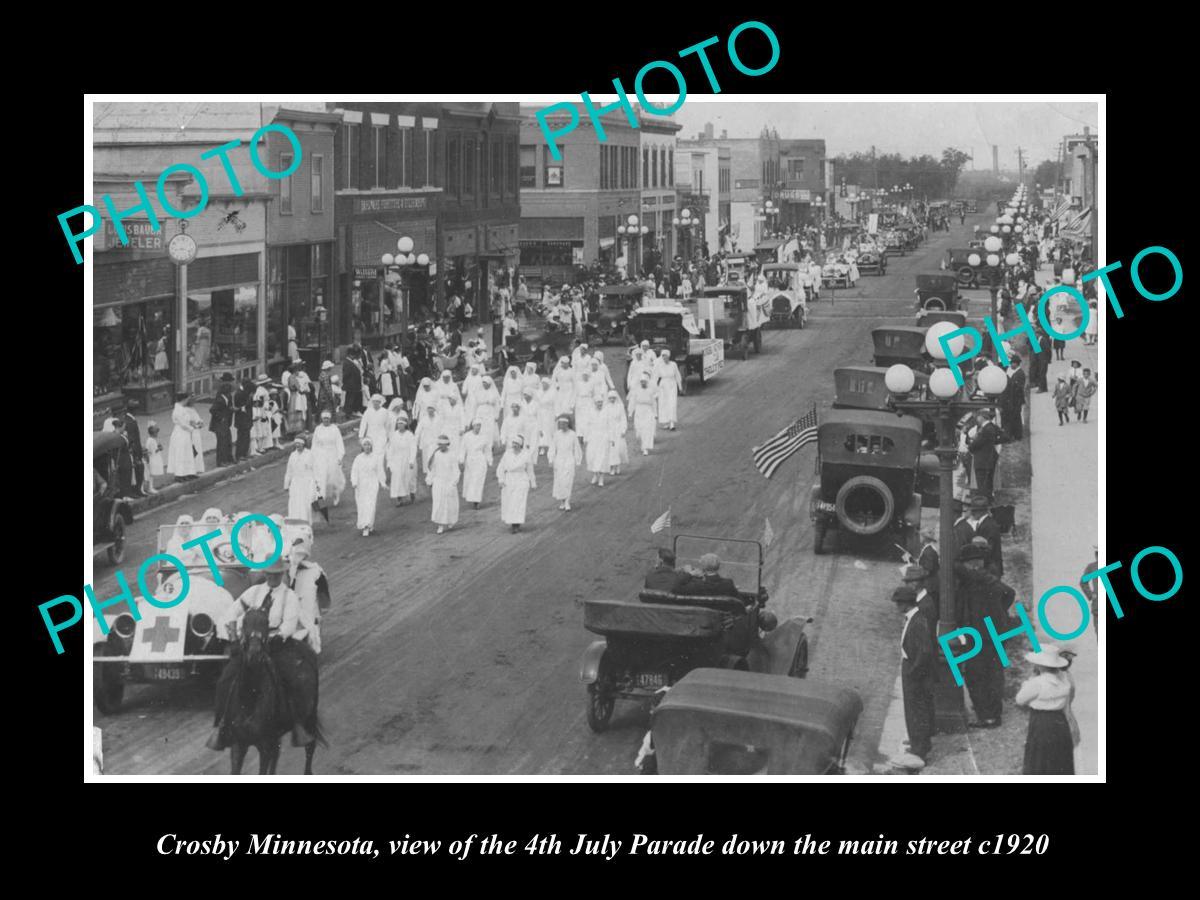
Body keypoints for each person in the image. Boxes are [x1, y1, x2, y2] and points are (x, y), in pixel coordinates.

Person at [208, 557, 315, 750]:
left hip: (276, 644)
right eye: (269, 574)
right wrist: (233, 637)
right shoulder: (253, 592)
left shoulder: (289, 596)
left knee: (291, 678)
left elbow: (289, 624)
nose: (273, 578)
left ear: (282, 574)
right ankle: (220, 726)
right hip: (250, 644)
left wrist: (279, 635)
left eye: (276, 575)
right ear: (264, 574)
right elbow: (231, 613)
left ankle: (298, 724)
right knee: (225, 679)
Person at [954, 543, 1015, 728]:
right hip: (994, 633)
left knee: (976, 674)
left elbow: (956, 567)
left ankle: (987, 716)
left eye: (967, 563)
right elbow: (1009, 593)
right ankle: (992, 714)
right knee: (993, 674)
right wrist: (999, 613)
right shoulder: (988, 576)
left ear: (972, 563)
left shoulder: (976, 577)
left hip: (981, 635)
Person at [892, 574, 935, 769]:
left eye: (898, 603)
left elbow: (925, 651)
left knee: (915, 710)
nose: (896, 607)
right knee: (915, 710)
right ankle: (919, 744)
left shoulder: (917, 621)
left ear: (905, 604)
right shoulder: (916, 618)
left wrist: (914, 672)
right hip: (912, 667)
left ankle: (919, 750)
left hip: (914, 671)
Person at [1015, 645, 1076, 775]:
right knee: (1059, 756)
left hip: (1041, 721)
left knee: (1040, 756)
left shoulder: (1037, 683)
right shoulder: (1064, 680)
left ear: (1039, 666)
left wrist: (1026, 684)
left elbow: (1020, 699)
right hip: (1059, 720)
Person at [954, 493, 1004, 577]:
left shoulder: (988, 526)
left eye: (974, 511)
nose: (972, 514)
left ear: (978, 512)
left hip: (991, 569)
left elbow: (988, 549)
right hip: (992, 567)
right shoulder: (987, 523)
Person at [497, 433, 537, 533]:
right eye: (513, 443)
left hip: (521, 480)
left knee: (519, 502)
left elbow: (530, 470)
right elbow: (501, 467)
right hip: (509, 480)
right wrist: (501, 480)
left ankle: (517, 524)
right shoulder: (507, 454)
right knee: (510, 502)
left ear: (520, 445)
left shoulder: (526, 455)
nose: (514, 445)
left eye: (517, 443)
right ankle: (512, 522)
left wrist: (533, 482)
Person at [967, 409, 1009, 501]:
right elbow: (1005, 437)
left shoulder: (985, 429)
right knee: (988, 481)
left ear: (982, 417)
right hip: (990, 457)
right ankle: (989, 500)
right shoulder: (992, 427)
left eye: (978, 417)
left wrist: (970, 446)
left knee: (982, 483)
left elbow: (976, 444)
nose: (977, 419)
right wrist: (993, 442)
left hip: (982, 459)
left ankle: (983, 503)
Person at [425, 434, 461, 534]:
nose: (441, 446)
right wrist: (429, 479)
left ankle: (450, 521)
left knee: (450, 503)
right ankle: (440, 525)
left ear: (447, 445)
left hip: (449, 482)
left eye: (443, 444)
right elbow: (433, 469)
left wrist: (453, 483)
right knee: (438, 503)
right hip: (438, 482)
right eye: (440, 444)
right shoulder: (436, 455)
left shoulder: (452, 455)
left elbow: (456, 470)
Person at [311, 410, 347, 510]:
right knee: (320, 478)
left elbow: (339, 444)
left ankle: (336, 494)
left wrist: (340, 457)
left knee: (332, 479)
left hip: (332, 455)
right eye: (324, 418)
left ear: (330, 419)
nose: (325, 420)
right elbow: (314, 444)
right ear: (321, 419)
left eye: (327, 418)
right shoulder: (318, 429)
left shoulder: (335, 429)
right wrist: (313, 457)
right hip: (320, 456)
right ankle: (320, 501)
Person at [546, 414, 582, 511]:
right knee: (560, 482)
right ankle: (562, 501)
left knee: (568, 481)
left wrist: (578, 461)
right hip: (559, 460)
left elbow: (577, 448)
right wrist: (551, 460)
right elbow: (552, 448)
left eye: (563, 424)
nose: (562, 426)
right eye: (560, 424)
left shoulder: (573, 434)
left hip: (569, 460)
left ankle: (567, 502)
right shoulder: (557, 434)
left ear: (567, 424)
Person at [350, 438, 385, 537]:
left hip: (372, 484)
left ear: (371, 446)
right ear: (362, 446)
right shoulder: (358, 458)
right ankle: (364, 524)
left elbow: (380, 471)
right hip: (361, 485)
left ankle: (368, 525)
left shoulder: (376, 457)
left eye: (369, 445)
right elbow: (354, 471)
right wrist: (354, 482)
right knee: (362, 505)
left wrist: (382, 483)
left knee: (371, 504)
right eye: (365, 445)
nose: (367, 447)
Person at [283, 435, 321, 524]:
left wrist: (317, 483)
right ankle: (296, 522)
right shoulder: (292, 455)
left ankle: (307, 522)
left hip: (308, 483)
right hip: (295, 483)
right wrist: (286, 484)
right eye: (296, 443)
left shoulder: (310, 454)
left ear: (304, 444)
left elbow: (316, 469)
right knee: (295, 503)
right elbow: (289, 470)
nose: (297, 445)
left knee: (306, 504)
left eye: (299, 443)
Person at [459, 419, 494, 510]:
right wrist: (461, 460)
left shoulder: (484, 437)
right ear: (473, 426)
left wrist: (489, 460)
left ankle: (477, 501)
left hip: (480, 460)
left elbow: (487, 450)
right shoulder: (466, 436)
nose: (478, 427)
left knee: (478, 481)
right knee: (471, 480)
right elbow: (463, 449)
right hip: (470, 461)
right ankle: (472, 498)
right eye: (476, 425)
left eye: (479, 425)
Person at [385, 412, 419, 506]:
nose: (400, 426)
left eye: (402, 424)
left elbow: (413, 448)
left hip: (407, 460)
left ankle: (412, 494)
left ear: (405, 425)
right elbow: (390, 449)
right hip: (397, 460)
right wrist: (389, 462)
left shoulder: (409, 435)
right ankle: (399, 499)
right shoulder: (394, 435)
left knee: (409, 478)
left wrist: (411, 460)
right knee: (397, 479)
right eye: (398, 424)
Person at [167, 392, 199, 481]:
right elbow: (182, 424)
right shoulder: (177, 410)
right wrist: (192, 428)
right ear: (184, 399)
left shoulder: (182, 409)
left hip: (186, 434)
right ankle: (179, 474)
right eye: (187, 399)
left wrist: (193, 424)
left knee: (187, 453)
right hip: (180, 433)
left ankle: (189, 472)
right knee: (180, 454)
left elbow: (188, 420)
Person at [627, 373, 659, 455]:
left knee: (647, 429)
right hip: (639, 411)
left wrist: (655, 414)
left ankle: (645, 448)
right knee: (639, 430)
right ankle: (643, 444)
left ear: (647, 382)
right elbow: (633, 402)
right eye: (641, 382)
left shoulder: (650, 391)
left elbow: (654, 403)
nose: (643, 383)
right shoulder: (636, 391)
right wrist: (630, 413)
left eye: (644, 381)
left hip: (648, 411)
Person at [999, 354, 1026, 440]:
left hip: (1016, 399)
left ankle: (1017, 435)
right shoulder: (1013, 372)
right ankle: (1013, 434)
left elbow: (1018, 388)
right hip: (1011, 399)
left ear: (1016, 364)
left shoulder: (1020, 373)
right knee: (1012, 416)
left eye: (1012, 363)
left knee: (1016, 417)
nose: (1011, 365)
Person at [602, 390, 629, 475]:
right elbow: (604, 420)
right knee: (610, 449)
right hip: (609, 430)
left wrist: (623, 430)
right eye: (610, 398)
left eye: (613, 398)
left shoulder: (620, 406)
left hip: (618, 429)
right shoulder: (606, 408)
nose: (612, 400)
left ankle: (617, 465)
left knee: (618, 448)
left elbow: (623, 419)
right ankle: (612, 467)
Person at [656, 350, 683, 430]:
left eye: (666, 356)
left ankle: (672, 422)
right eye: (663, 356)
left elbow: (677, 375)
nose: (664, 357)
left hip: (672, 385)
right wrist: (654, 389)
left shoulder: (673, 365)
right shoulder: (659, 365)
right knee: (663, 404)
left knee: (672, 403)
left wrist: (680, 387)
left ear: (669, 356)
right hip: (663, 386)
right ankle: (666, 421)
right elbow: (655, 377)